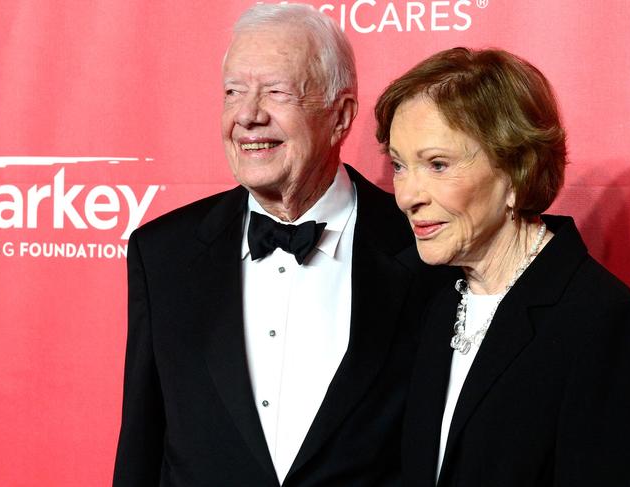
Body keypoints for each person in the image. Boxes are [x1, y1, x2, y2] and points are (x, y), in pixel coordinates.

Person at [113, 4, 451, 486]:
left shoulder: (424, 247)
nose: (248, 115)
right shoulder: (163, 253)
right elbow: (141, 446)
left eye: (276, 91)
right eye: (233, 92)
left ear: (341, 116)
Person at [375, 47, 630, 487]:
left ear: (517, 170)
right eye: (400, 166)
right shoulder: (435, 300)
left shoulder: (601, 320)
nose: (406, 197)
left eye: (437, 165)